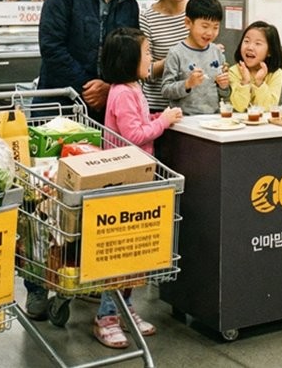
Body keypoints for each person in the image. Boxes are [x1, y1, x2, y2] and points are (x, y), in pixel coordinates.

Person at [28, 0, 150, 320]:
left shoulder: (128, 5)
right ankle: (35, 284)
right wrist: (87, 85)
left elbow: (124, 52)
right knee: (42, 200)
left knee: (83, 204)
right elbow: (51, 45)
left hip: (101, 115)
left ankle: (71, 278)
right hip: (55, 107)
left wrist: (107, 85)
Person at [94, 28, 182, 347]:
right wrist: (165, 121)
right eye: (146, 54)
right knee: (120, 255)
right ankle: (106, 316)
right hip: (122, 182)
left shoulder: (132, 88)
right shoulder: (123, 92)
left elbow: (138, 123)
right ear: (130, 60)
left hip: (136, 179)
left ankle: (125, 307)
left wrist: (158, 116)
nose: (151, 60)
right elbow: (133, 135)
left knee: (135, 253)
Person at [140, 0, 192, 111]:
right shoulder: (147, 19)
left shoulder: (198, 11)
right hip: (159, 110)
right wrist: (174, 58)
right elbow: (144, 73)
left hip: (195, 108)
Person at [160, 0, 231, 114]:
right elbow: (166, 90)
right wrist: (187, 84)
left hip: (213, 118)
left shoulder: (217, 53)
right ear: (188, 23)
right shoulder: (176, 53)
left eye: (215, 27)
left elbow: (225, 93)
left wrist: (224, 86)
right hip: (183, 121)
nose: (210, 33)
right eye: (205, 26)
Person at [227, 21, 282, 112]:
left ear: (270, 51)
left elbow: (268, 108)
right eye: (246, 41)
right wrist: (245, 82)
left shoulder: (276, 73)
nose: (250, 47)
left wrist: (259, 83)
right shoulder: (234, 71)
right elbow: (239, 107)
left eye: (258, 43)